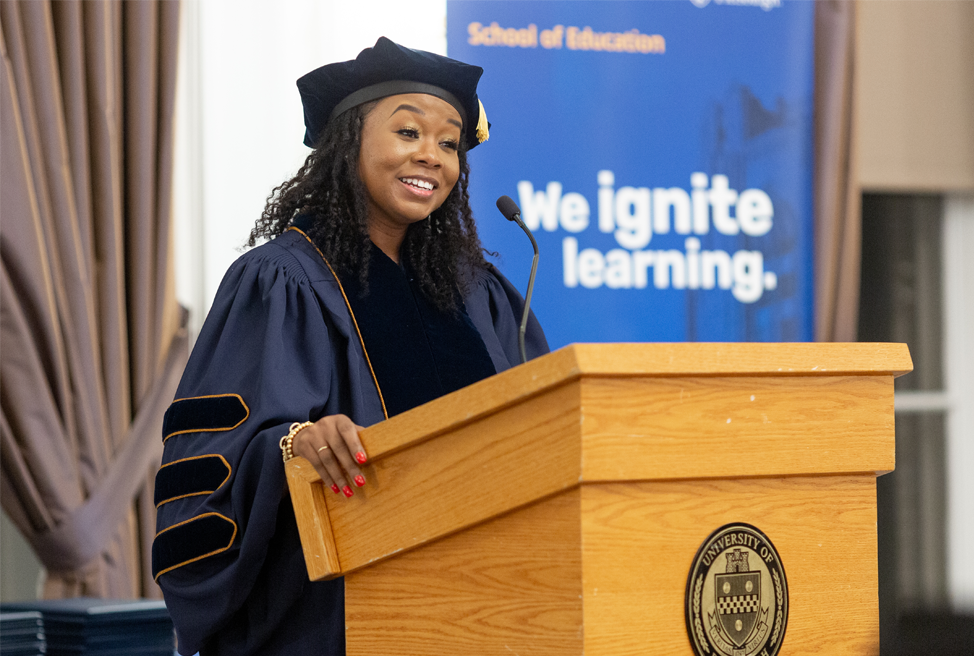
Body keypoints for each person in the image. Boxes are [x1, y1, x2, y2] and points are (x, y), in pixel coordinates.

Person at [152, 37, 548, 656]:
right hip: (333, 623)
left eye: (449, 143)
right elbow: (210, 467)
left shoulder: (479, 295)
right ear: (350, 140)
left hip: (482, 615)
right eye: (409, 132)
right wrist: (293, 446)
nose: (432, 157)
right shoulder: (279, 280)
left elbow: (538, 438)